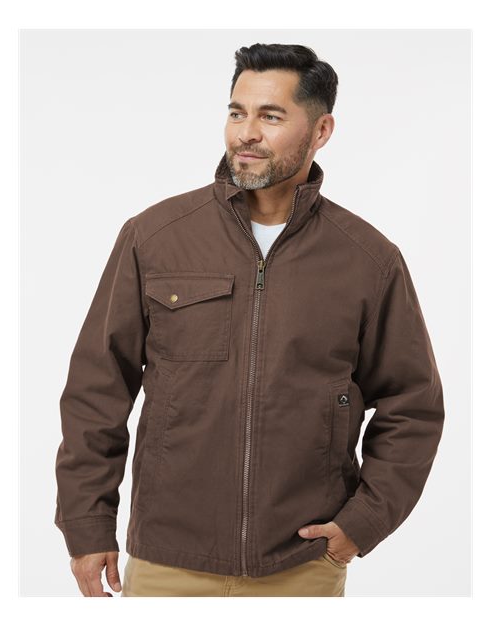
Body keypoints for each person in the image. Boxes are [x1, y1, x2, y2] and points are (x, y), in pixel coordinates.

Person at [54, 43, 445, 597]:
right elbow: (98, 388)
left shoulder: (368, 259)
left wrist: (362, 524)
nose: (246, 133)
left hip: (303, 564)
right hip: (168, 561)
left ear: (321, 130)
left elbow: (413, 405)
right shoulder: (155, 237)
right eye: (237, 112)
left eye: (271, 116)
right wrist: (88, 523)